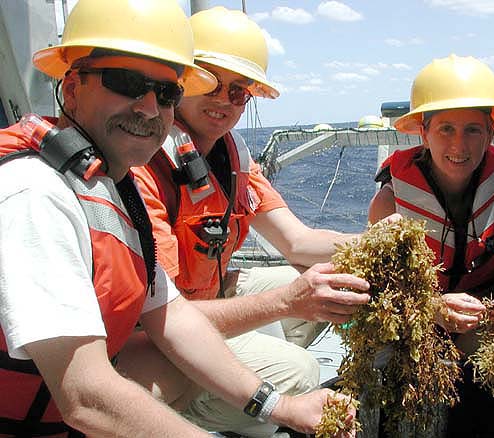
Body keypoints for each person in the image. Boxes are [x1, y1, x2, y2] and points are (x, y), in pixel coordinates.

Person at [0, 1, 358, 437]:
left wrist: (279, 406)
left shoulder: (112, 184)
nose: (150, 108)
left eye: (166, 93)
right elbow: (84, 398)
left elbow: (172, 318)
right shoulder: (36, 193)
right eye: (127, 83)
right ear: (72, 88)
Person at [124, 7, 373, 436]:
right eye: (209, 84)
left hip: (208, 300)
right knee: (299, 373)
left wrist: (379, 241)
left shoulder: (231, 156)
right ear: (178, 83)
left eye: (238, 91)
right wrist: (285, 303)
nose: (223, 100)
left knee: (330, 281)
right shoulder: (146, 167)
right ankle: (214, 406)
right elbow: (161, 317)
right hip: (154, 334)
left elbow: (297, 241)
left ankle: (244, 378)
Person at [368, 54, 494, 351]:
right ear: (423, 133)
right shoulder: (390, 201)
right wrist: (431, 307)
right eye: (445, 129)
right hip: (415, 330)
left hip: (484, 321)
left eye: (472, 130)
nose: (459, 146)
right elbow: (374, 297)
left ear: (491, 133)